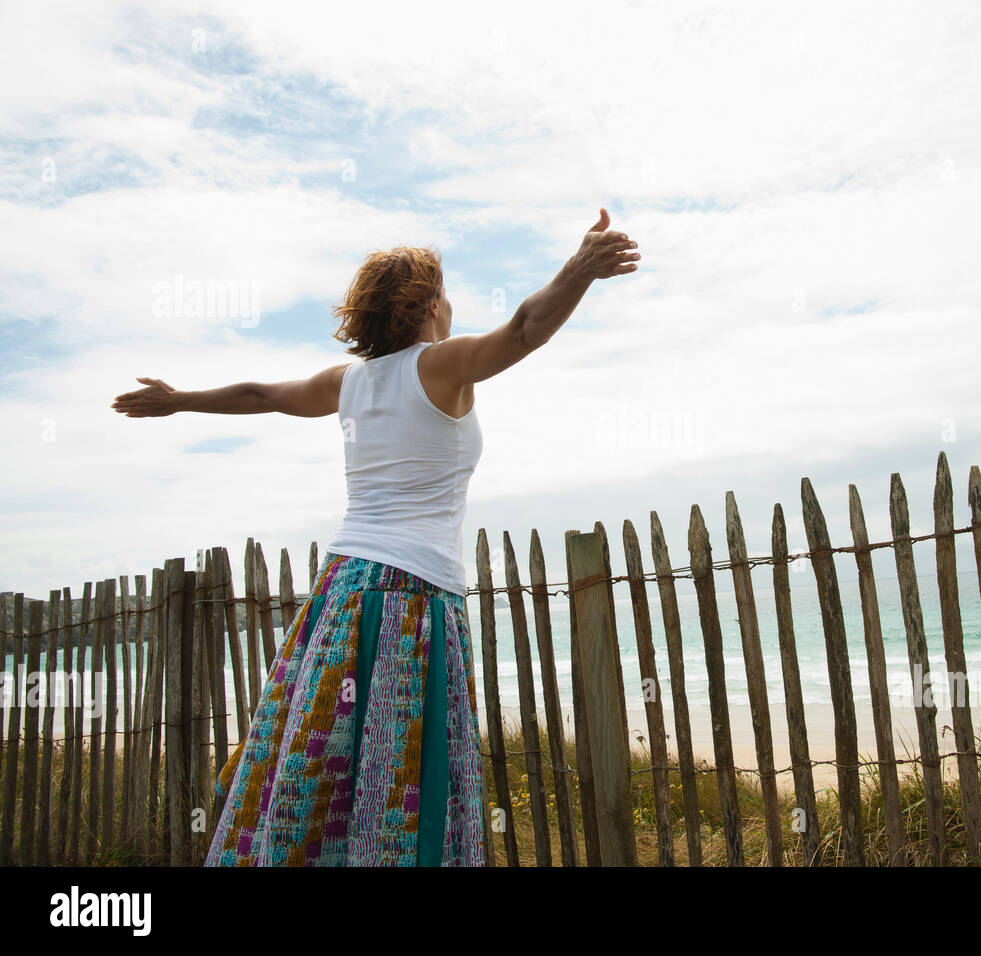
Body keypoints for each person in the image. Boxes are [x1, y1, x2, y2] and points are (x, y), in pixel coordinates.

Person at [111, 208, 640, 865]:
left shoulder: (349, 381)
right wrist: (579, 270)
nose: (450, 305)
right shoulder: (441, 365)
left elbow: (259, 395)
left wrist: (181, 399)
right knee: (400, 765)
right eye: (444, 293)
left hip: (341, 587)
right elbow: (525, 329)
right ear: (427, 304)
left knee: (322, 751)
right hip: (411, 592)